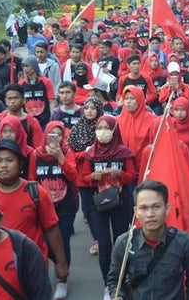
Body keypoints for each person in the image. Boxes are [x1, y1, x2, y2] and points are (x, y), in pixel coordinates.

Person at [0, 139, 69, 287]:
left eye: (9, 160)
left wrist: (61, 262)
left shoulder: (37, 193)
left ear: (20, 164)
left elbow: (52, 228)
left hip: (32, 265)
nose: (3, 165)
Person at [107, 180, 189, 300]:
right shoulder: (124, 243)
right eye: (143, 208)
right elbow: (114, 280)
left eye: (156, 207)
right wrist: (118, 296)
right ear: (136, 212)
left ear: (167, 208)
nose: (150, 214)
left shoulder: (185, 242)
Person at [80, 116, 136, 293]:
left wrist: (119, 173)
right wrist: (92, 177)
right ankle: (109, 285)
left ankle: (122, 280)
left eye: (106, 128)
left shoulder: (124, 152)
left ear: (114, 131)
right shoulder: (90, 154)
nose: (102, 132)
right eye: (99, 128)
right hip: (98, 204)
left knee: (121, 242)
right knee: (104, 246)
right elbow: (83, 178)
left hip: (121, 203)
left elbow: (132, 177)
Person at [33, 121, 77, 298]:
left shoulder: (67, 152)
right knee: (44, 242)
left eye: (60, 134)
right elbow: (31, 179)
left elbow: (73, 175)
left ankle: (62, 280)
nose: (56, 138)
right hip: (43, 207)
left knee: (63, 241)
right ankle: (58, 264)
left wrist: (60, 157)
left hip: (65, 205)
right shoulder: (36, 155)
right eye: (53, 134)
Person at [67, 97, 104, 256]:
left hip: (101, 175)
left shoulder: (104, 127)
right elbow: (70, 155)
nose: (89, 111)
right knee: (89, 210)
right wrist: (86, 153)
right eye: (86, 108)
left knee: (103, 208)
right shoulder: (77, 129)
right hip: (83, 176)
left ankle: (104, 238)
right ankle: (97, 239)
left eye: (93, 108)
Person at [0, 83, 44, 148]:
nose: (12, 101)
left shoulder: (32, 122)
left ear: (24, 100)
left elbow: (39, 147)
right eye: (9, 98)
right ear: (5, 101)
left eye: (16, 98)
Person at [0, 115, 36, 182]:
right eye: (4, 131)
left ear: (18, 131)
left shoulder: (29, 152)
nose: (8, 135)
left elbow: (32, 178)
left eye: (11, 131)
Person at [116, 86, 155, 168]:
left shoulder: (152, 120)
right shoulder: (119, 120)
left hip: (144, 166)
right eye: (126, 99)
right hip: (123, 167)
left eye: (132, 98)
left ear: (139, 99)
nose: (128, 102)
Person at [19, 56, 57, 128]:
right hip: (28, 122)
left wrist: (52, 119)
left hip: (44, 121)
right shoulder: (21, 83)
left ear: (34, 66)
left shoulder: (46, 82)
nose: (25, 69)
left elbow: (52, 101)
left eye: (27, 66)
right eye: (23, 67)